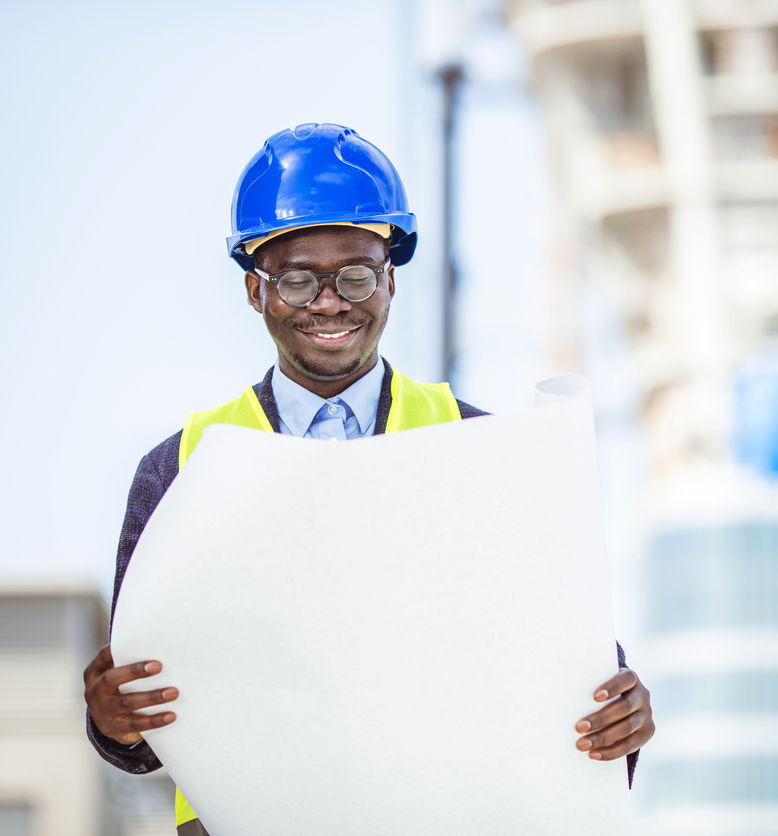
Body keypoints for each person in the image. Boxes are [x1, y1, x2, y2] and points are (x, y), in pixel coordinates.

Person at [81, 123, 654, 836]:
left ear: (389, 281)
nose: (330, 303)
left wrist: (618, 714)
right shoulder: (181, 467)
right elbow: (134, 733)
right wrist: (114, 723)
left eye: (355, 274)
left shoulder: (482, 447)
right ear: (255, 292)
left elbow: (563, 667)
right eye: (296, 278)